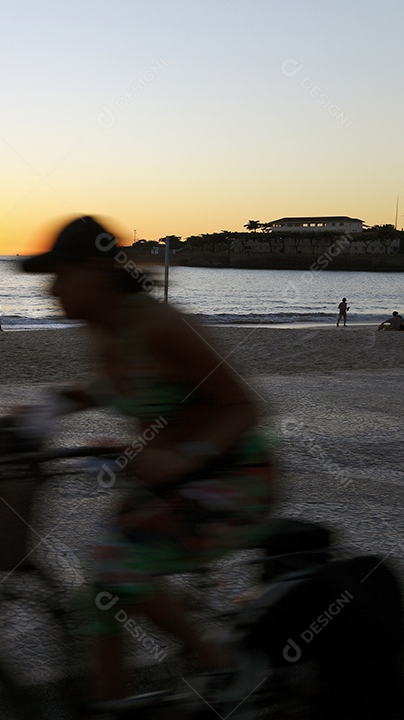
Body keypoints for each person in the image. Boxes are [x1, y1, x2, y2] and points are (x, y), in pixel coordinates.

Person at [19, 215, 276, 703]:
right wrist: (46, 410)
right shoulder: (105, 330)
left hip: (236, 481)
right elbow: (118, 385)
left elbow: (243, 407)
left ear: (96, 270)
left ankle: (223, 663)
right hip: (177, 485)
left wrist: (181, 456)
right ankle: (111, 706)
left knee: (118, 567)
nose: (50, 290)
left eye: (60, 275)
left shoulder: (160, 324)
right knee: (100, 597)